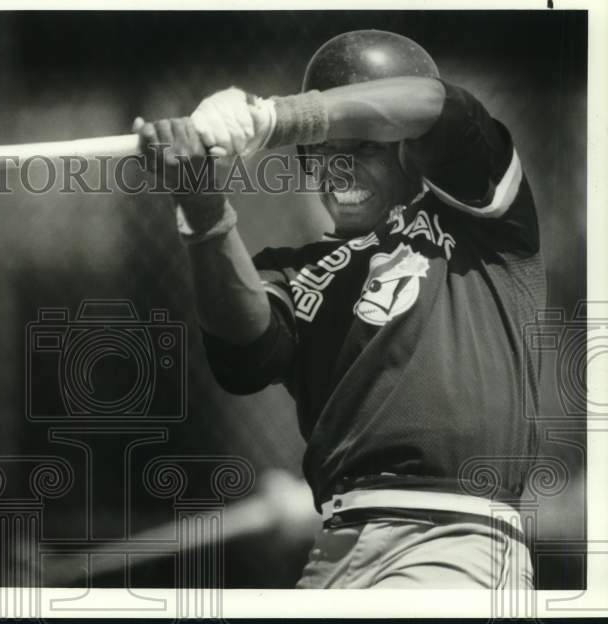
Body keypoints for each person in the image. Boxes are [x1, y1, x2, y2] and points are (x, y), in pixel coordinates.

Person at [134, 29, 545, 589]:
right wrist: (202, 207)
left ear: (412, 147)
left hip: (451, 540)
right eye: (324, 153)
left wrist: (279, 117)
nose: (339, 169)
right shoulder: (291, 267)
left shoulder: (481, 218)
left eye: (364, 147)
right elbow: (245, 355)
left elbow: (432, 104)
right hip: (335, 549)